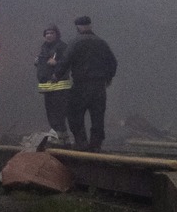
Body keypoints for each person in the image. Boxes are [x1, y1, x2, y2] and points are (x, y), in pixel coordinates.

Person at [63, 16, 118, 151]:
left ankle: (81, 143)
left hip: (81, 85)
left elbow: (65, 61)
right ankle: (96, 145)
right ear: (91, 26)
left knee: (74, 113)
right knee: (98, 116)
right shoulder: (102, 43)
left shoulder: (75, 42)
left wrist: (56, 75)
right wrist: (108, 77)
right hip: (99, 86)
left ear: (78, 27)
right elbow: (113, 62)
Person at [35, 25, 74, 143]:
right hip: (48, 87)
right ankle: (58, 136)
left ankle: (62, 136)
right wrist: (38, 62)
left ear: (57, 34)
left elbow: (67, 63)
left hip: (60, 87)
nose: (49, 35)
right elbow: (45, 62)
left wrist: (56, 63)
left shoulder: (62, 47)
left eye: (51, 33)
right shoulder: (44, 47)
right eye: (47, 33)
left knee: (60, 112)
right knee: (50, 112)